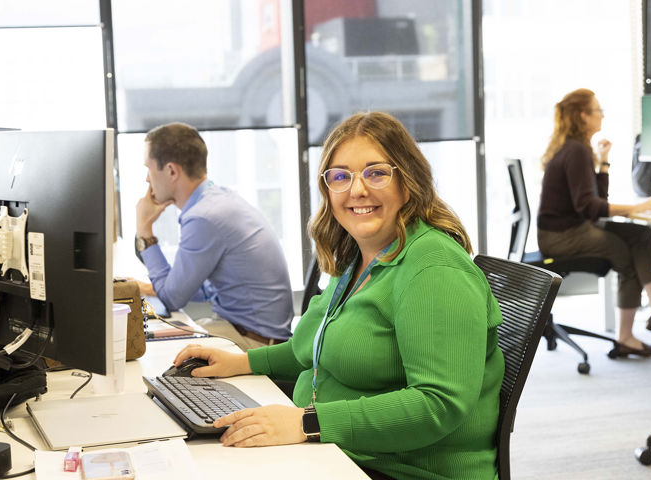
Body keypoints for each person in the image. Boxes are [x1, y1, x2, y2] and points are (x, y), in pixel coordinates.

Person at [172, 112, 505, 480]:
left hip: (399, 470)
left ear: (408, 182)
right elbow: (314, 347)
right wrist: (242, 363)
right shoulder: (363, 254)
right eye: (340, 176)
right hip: (338, 452)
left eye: (376, 173)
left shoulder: (434, 268)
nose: (357, 190)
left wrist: (306, 423)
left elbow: (438, 405)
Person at [537, 88, 651, 357]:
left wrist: (604, 163)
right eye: (598, 110)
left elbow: (596, 201)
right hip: (563, 235)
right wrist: (636, 207)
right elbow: (589, 208)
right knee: (626, 252)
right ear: (583, 116)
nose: (602, 116)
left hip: (567, 229)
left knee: (639, 235)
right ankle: (631, 334)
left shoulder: (577, 148)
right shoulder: (576, 151)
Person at [135, 122, 293, 349]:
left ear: (171, 171)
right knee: (163, 336)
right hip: (245, 329)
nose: (147, 180)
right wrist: (152, 288)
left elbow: (172, 299)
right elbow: (205, 289)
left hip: (254, 342)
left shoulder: (203, 217)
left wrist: (144, 230)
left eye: (149, 169)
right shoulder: (216, 199)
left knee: (158, 346)